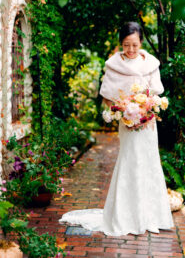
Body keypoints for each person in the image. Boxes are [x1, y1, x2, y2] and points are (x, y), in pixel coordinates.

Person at [59, 21, 175, 236]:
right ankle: (126, 216)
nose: (130, 50)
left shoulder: (150, 63)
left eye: (134, 45)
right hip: (128, 124)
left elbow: (155, 93)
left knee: (149, 164)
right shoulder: (114, 65)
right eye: (126, 45)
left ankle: (152, 216)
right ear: (121, 43)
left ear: (141, 42)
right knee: (131, 163)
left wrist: (147, 110)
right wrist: (123, 112)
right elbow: (109, 99)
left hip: (148, 125)